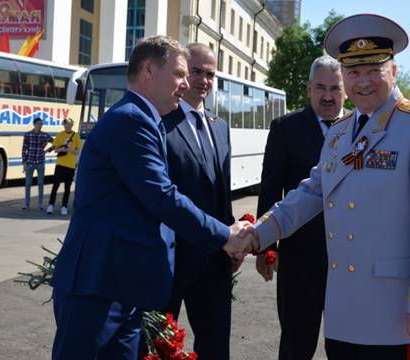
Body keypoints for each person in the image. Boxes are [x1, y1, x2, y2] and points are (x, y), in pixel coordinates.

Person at [245, 14, 410, 360]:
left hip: (395, 315)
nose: (362, 82)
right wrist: (258, 233)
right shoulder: (340, 132)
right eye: (353, 72)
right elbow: (312, 191)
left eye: (373, 70)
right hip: (343, 310)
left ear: (393, 71)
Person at [50, 36, 256, 360]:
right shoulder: (131, 120)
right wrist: (224, 236)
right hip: (99, 286)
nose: (186, 84)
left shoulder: (146, 119)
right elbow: (162, 196)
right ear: (148, 69)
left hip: (122, 286)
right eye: (179, 74)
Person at [255, 55, 346, 360]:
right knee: (296, 344)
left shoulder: (363, 131)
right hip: (299, 260)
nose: (328, 96)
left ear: (345, 91)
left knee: (348, 346)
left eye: (335, 87)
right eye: (320, 87)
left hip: (349, 264)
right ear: (308, 89)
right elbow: (270, 190)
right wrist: (266, 248)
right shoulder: (285, 128)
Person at [161, 43, 236, 359]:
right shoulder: (160, 122)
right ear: (181, 71)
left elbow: (222, 193)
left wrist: (233, 241)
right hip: (169, 261)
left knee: (215, 346)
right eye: (196, 71)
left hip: (214, 259)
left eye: (210, 74)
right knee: (158, 346)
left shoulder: (220, 127)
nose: (204, 80)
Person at [46, 118, 82, 216]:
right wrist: (62, 148)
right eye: (66, 124)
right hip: (60, 164)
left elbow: (77, 151)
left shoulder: (76, 136)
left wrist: (70, 150)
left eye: (69, 124)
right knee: (55, 185)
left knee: (67, 187)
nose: (68, 126)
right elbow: (55, 149)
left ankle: (64, 206)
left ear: (72, 125)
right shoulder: (60, 135)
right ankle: (51, 205)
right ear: (64, 125)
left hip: (70, 165)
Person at [21, 117, 53, 210]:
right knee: (28, 184)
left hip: (40, 162)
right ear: (34, 124)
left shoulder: (45, 135)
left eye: (41, 124)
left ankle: (40, 204)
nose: (40, 125)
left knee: (40, 184)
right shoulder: (27, 135)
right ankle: (26, 204)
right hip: (30, 162)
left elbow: (55, 142)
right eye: (39, 123)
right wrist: (24, 162)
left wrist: (48, 150)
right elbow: (24, 149)